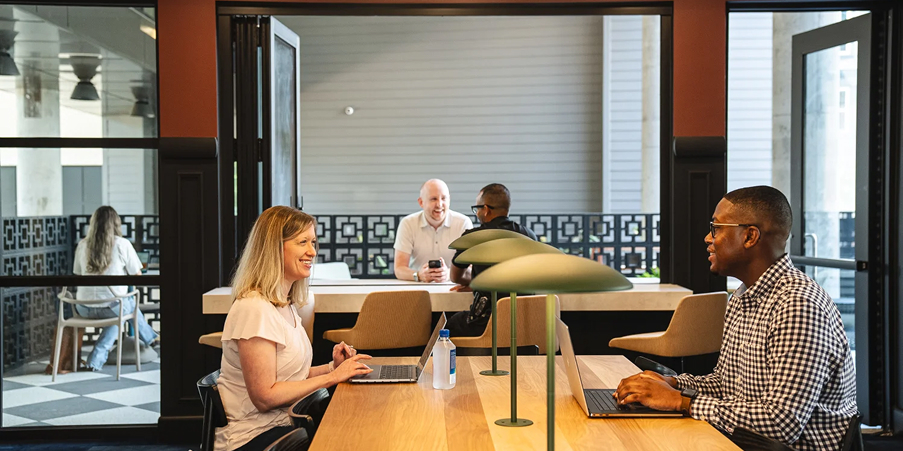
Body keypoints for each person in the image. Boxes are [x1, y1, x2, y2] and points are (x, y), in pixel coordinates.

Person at [614, 186, 856, 451]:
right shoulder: (742, 296)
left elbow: (781, 423)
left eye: (716, 228)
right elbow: (726, 384)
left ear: (749, 236)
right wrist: (671, 384)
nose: (708, 237)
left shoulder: (797, 305)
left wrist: (680, 402)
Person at [216, 206, 372, 451]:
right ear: (274, 248)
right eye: (302, 242)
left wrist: (334, 367)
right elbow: (265, 396)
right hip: (254, 438)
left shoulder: (283, 305)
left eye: (313, 242)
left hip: (285, 426)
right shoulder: (254, 308)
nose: (312, 251)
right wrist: (332, 378)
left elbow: (291, 378)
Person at [72, 206, 158, 372]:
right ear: (116, 223)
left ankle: (94, 362)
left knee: (119, 315)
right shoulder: (122, 244)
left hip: (83, 308)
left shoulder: (82, 245)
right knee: (125, 305)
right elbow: (137, 275)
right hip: (112, 308)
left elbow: (77, 273)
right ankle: (151, 338)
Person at [447, 183, 537, 337]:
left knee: (448, 325)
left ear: (486, 209)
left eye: (477, 208)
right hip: (526, 325)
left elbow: (456, 277)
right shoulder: (529, 235)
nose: (477, 213)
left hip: (485, 324)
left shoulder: (474, 237)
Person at [393, 179, 472, 283]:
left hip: (453, 288)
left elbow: (472, 267)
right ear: (421, 202)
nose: (439, 204)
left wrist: (449, 274)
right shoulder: (408, 223)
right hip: (417, 287)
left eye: (444, 198)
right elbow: (399, 269)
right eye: (433, 199)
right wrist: (419, 275)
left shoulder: (463, 223)